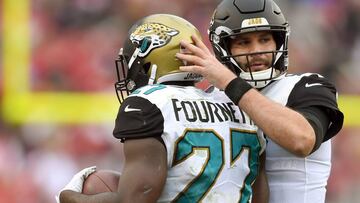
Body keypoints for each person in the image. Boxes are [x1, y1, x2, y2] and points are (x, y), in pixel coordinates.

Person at [57, 14, 269, 203]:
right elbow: (259, 195)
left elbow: (135, 199)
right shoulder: (240, 103)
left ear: (150, 60)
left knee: (95, 184)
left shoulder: (150, 103)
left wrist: (72, 197)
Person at [175, 0, 344, 203]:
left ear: (279, 41)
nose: (257, 50)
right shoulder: (212, 98)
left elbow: (302, 140)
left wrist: (229, 82)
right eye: (244, 42)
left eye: (265, 39)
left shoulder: (307, 86)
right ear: (224, 48)